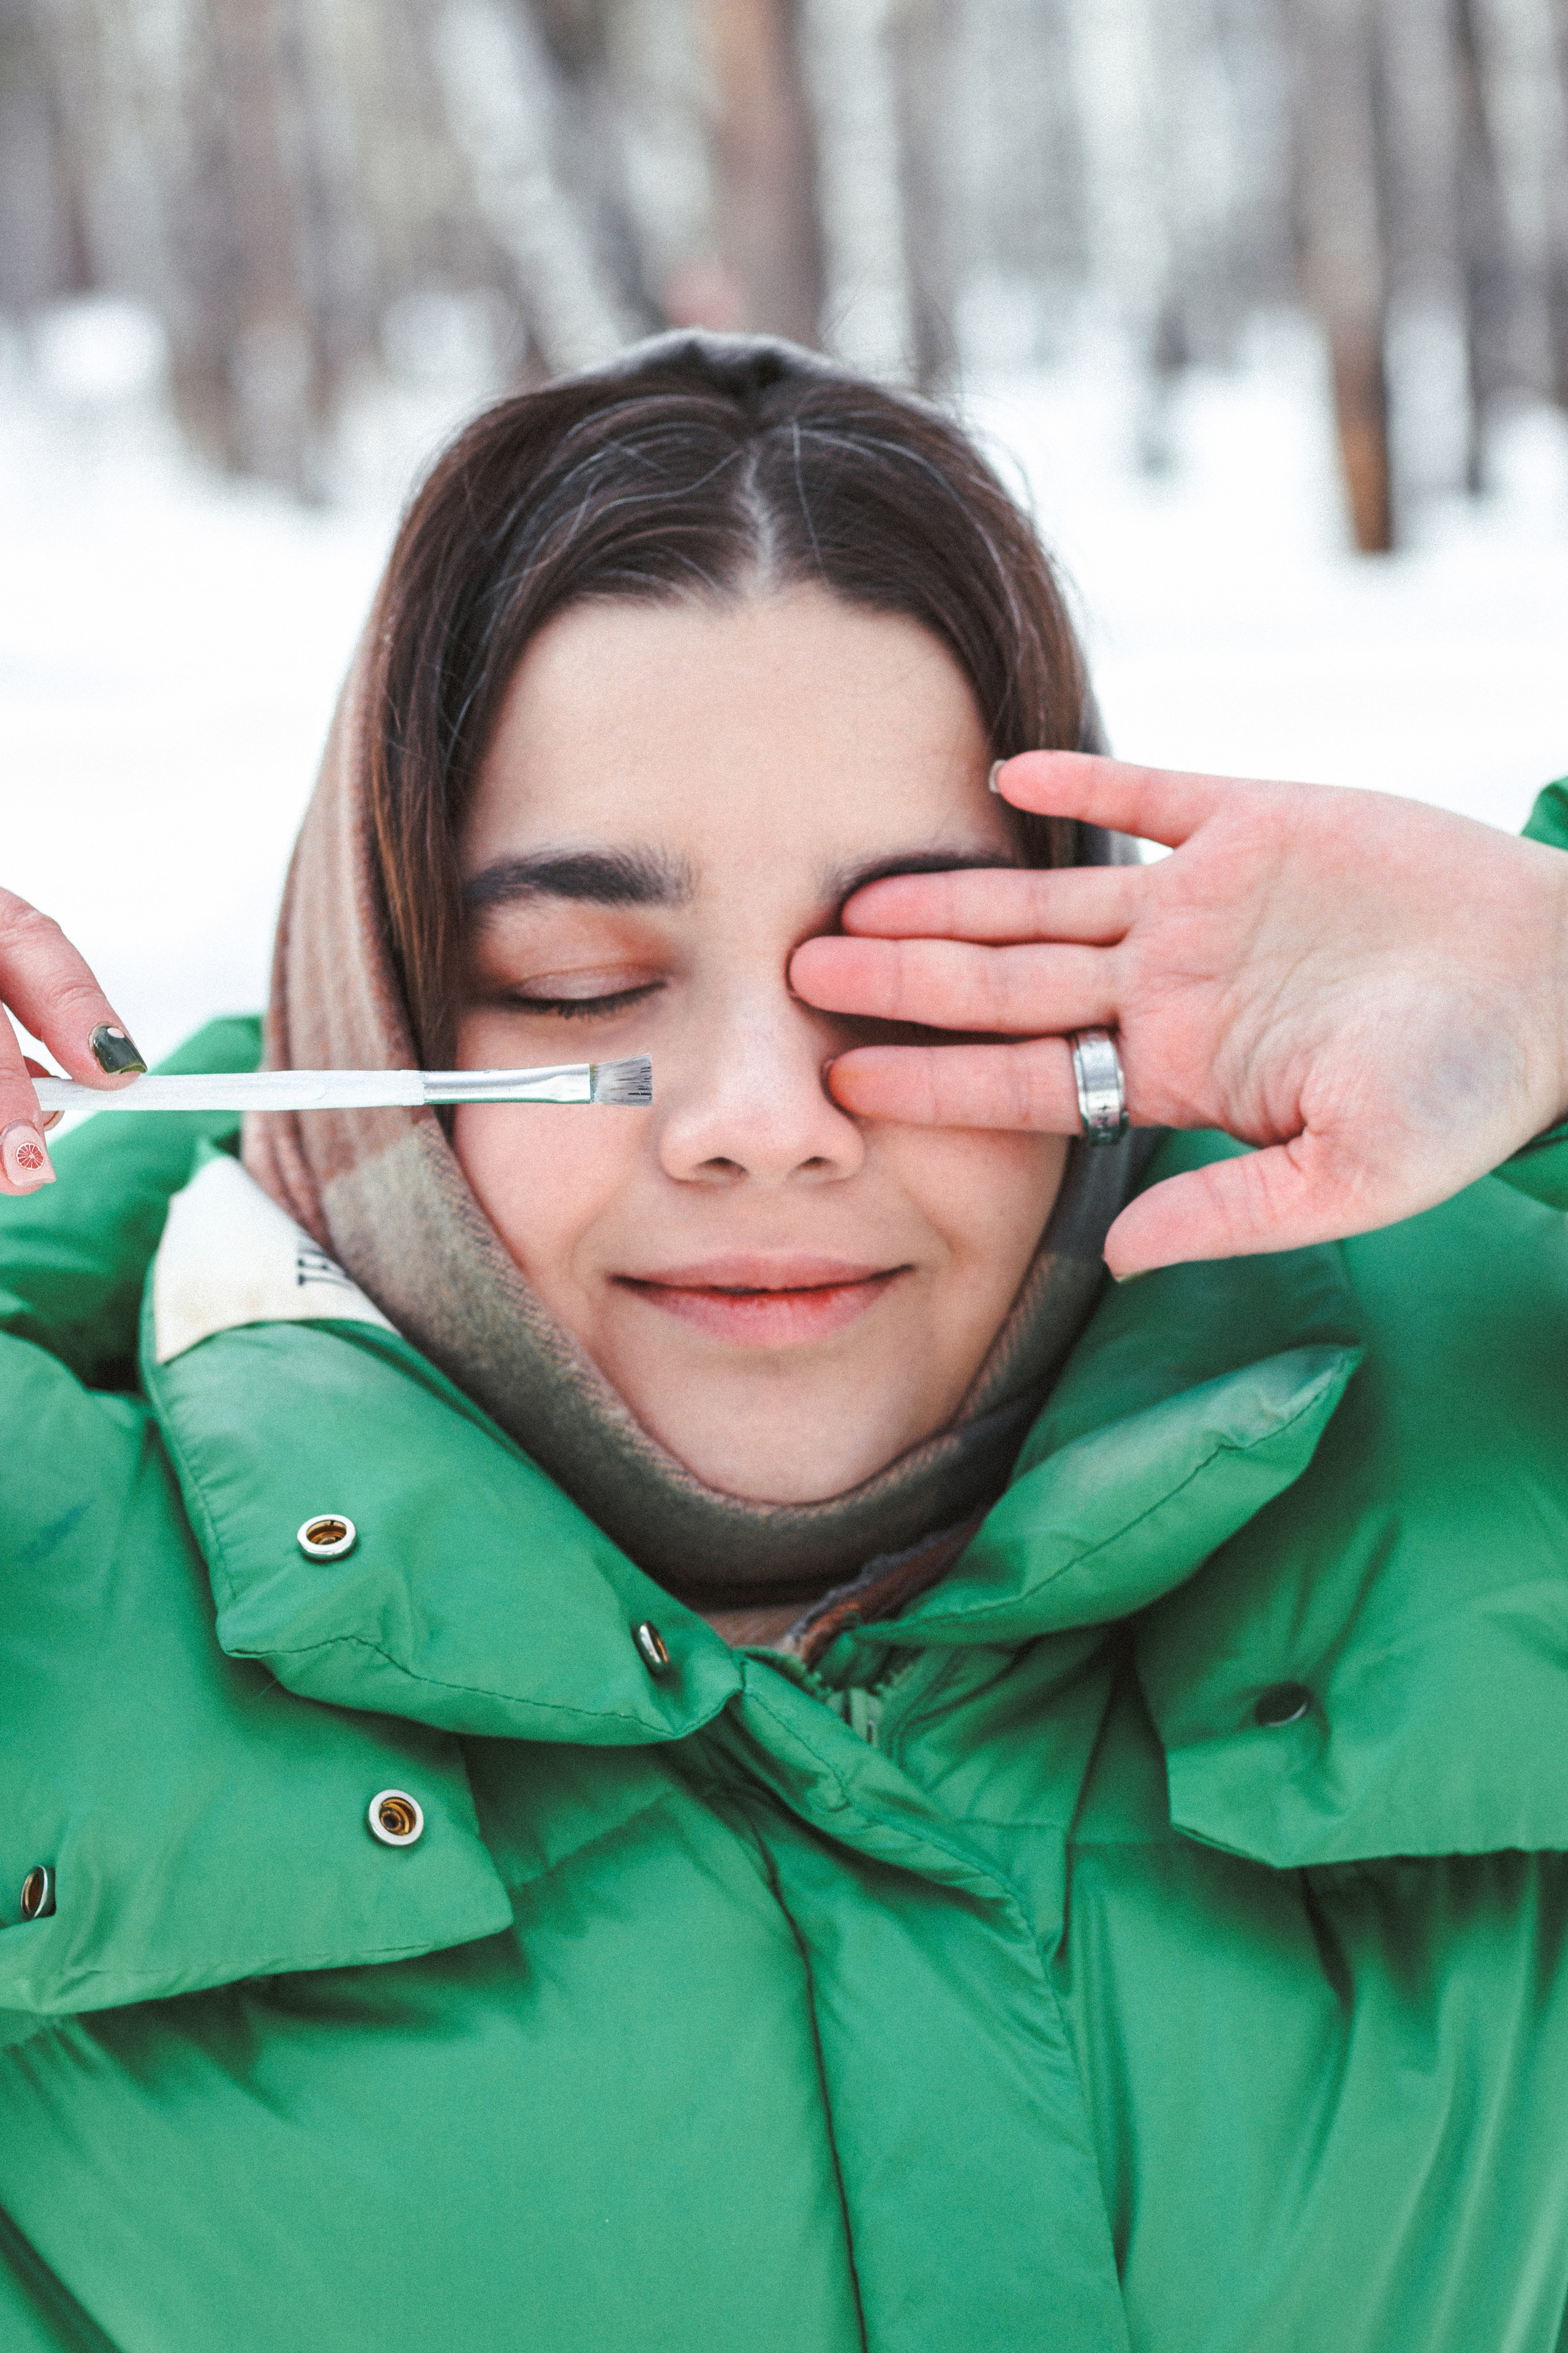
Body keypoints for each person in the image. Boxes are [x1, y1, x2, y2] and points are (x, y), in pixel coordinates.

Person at [2, 331, 1567, 2353]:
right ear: (365, 996)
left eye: (915, 968)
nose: (762, 1112)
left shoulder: (1508, 1418)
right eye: (574, 980)